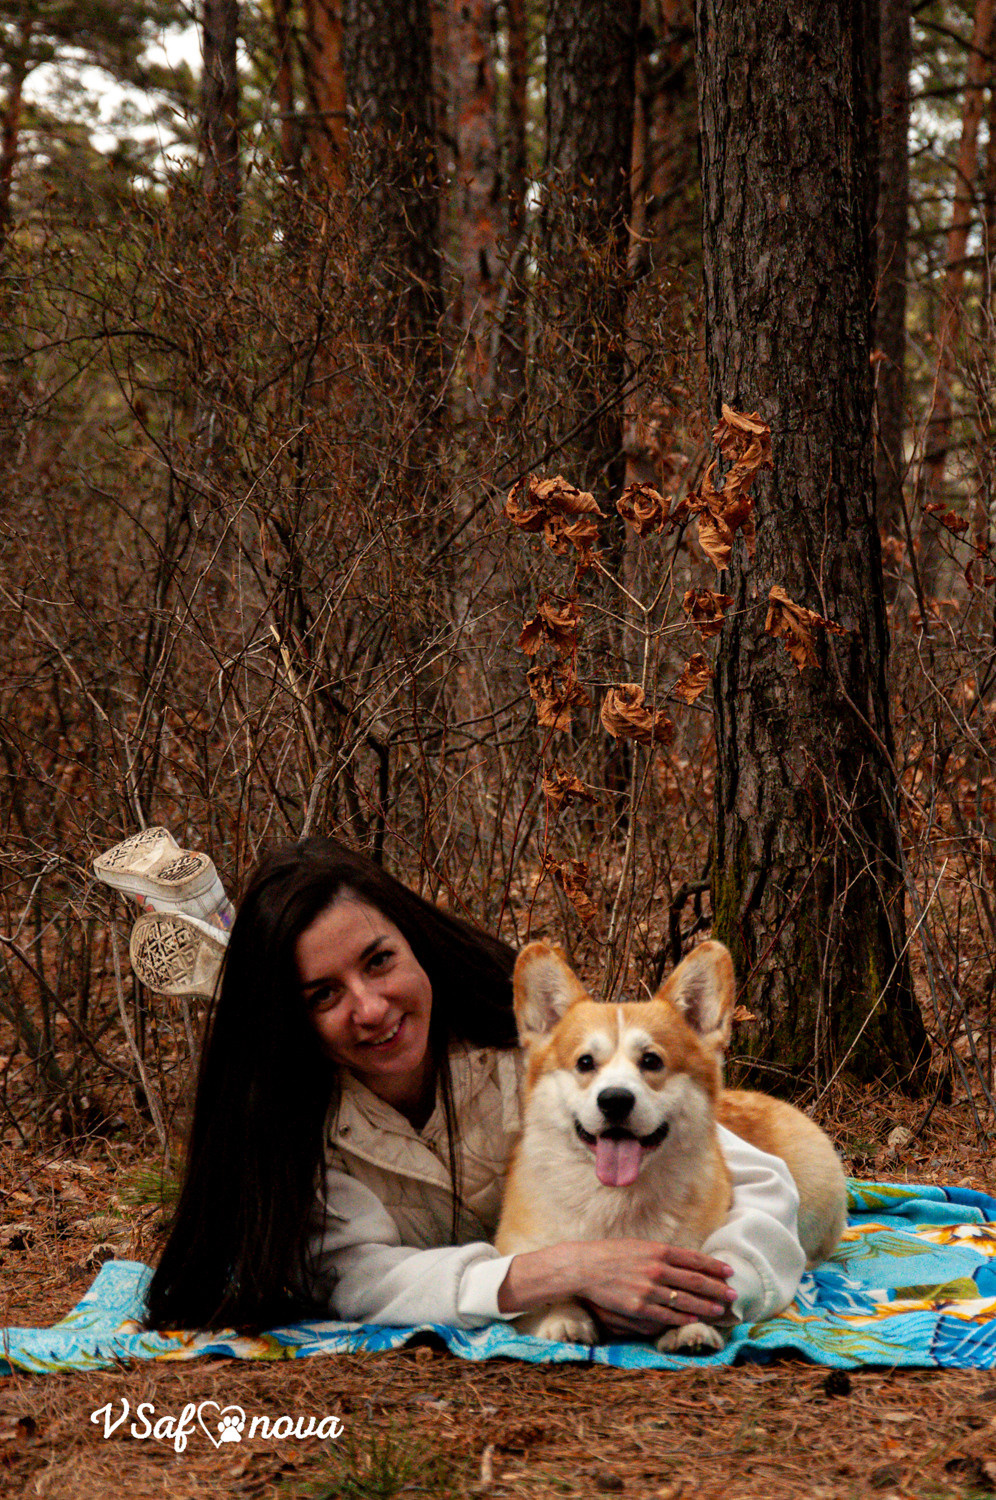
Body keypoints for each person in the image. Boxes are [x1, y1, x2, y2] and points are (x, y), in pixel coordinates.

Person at [143, 836, 806, 1337]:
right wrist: (562, 1272)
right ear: (290, 1017)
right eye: (324, 995)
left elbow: (754, 1178)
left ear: (415, 943)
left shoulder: (530, 1060)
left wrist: (719, 1288)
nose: (371, 1007)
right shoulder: (296, 1133)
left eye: (380, 962)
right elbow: (362, 1279)